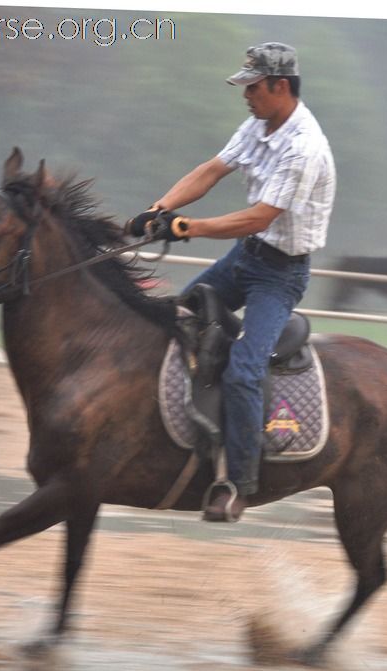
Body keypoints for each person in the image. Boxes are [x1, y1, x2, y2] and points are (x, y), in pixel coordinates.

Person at [128, 42, 336, 522]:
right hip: (245, 258)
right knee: (178, 319)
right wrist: (159, 211)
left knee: (245, 368)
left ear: (280, 87)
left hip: (279, 276)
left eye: (253, 87)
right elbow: (211, 170)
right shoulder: (258, 125)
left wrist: (188, 228)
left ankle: (238, 483)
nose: (246, 95)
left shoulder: (304, 149)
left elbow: (260, 216)